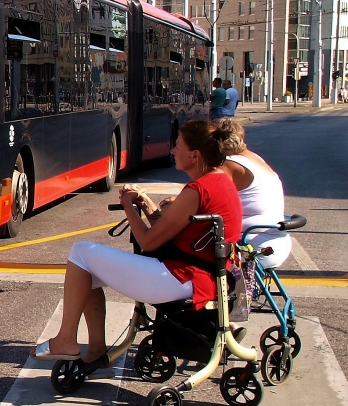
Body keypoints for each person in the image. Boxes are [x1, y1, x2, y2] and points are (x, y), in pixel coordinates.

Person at [35, 120, 242, 364]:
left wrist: (127, 205)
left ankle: (67, 340)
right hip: (204, 276)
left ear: (195, 155)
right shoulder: (220, 182)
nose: (173, 150)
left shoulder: (196, 190)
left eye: (178, 146)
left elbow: (149, 242)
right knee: (85, 271)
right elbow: (170, 230)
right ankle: (95, 351)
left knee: (81, 252)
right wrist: (143, 202)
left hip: (181, 278)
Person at [217, 118, 290, 269]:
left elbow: (204, 198)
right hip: (274, 241)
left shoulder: (230, 164)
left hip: (253, 244)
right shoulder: (252, 157)